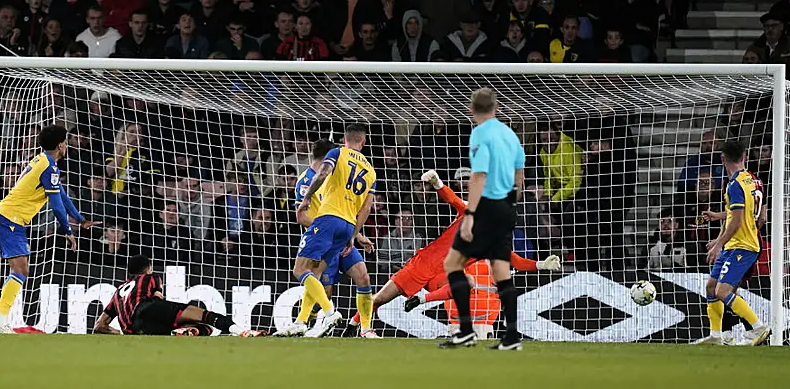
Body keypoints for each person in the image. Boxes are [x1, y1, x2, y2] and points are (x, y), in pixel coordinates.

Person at [348, 169, 560, 335]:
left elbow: (513, 260)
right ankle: (353, 324)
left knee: (466, 282)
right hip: (421, 265)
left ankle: (420, 300)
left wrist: (541, 265)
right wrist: (436, 182)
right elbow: (453, 200)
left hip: (443, 274)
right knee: (379, 300)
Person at [0, 125, 100, 333]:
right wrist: (68, 231)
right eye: (65, 142)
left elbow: (61, 194)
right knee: (20, 269)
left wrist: (80, 219)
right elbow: (56, 206)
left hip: (10, 217)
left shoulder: (43, 160)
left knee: (20, 270)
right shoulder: (48, 166)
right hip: (10, 218)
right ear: (60, 145)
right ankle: (0, 321)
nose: (66, 145)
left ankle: (0, 320)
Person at [442, 87, 525, 350]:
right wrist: (511, 206)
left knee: (452, 263)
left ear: (471, 110)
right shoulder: (510, 134)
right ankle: (511, 335)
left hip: (486, 207)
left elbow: (478, 176)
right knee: (500, 270)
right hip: (507, 206)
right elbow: (519, 175)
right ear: (496, 108)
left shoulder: (480, 133)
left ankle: (465, 330)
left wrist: (469, 214)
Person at [276, 139, 377, 339]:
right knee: (323, 289)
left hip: (340, 236)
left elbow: (344, 210)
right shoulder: (306, 181)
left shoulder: (334, 177)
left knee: (363, 276)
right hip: (322, 237)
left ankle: (366, 329)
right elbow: (302, 216)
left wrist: (357, 235)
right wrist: (323, 227)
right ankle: (306, 321)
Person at [697, 140, 770, 346]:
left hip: (743, 246)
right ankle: (716, 335)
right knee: (711, 287)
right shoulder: (754, 180)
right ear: (744, 157)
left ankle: (758, 327)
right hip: (737, 243)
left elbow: (737, 220)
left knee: (723, 291)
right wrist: (718, 216)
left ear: (722, 158)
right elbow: (743, 213)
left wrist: (719, 243)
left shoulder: (734, 185)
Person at [93, 254, 264, 337]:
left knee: (204, 330)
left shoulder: (117, 293)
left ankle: (183, 331)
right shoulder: (150, 278)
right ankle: (243, 332)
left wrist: (120, 334)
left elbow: (99, 326)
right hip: (148, 308)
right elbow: (158, 299)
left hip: (135, 331)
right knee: (205, 316)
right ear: (147, 268)